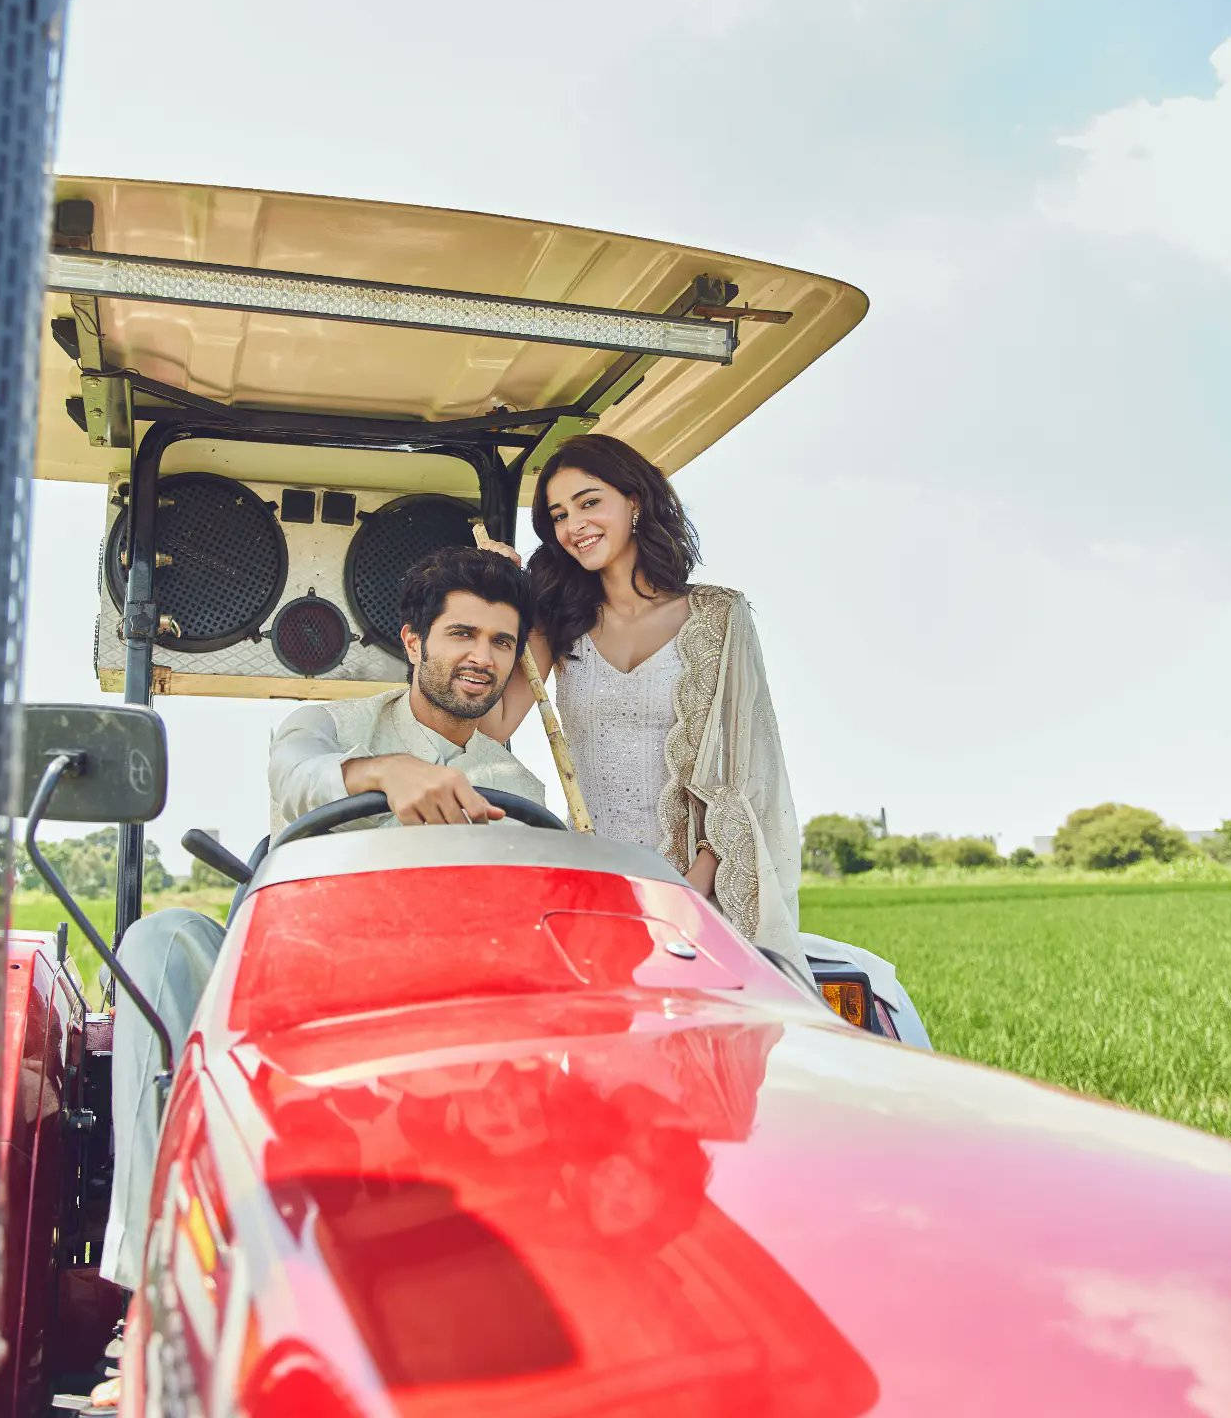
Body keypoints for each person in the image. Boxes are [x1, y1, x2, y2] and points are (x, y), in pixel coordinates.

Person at [99, 547, 545, 1302]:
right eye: (462, 635)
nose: (482, 657)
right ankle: (154, 1292)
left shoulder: (518, 789)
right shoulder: (331, 727)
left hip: (436, 1008)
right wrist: (383, 772)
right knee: (161, 940)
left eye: (501, 642)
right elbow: (299, 780)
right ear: (413, 642)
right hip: (293, 983)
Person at [480, 434, 928, 1042]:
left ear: (634, 502)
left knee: (706, 1067)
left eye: (589, 503)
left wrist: (685, 899)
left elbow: (746, 778)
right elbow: (497, 723)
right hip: (597, 892)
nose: (573, 526)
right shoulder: (558, 621)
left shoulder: (719, 616)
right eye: (558, 516)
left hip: (697, 893)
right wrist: (505, 603)